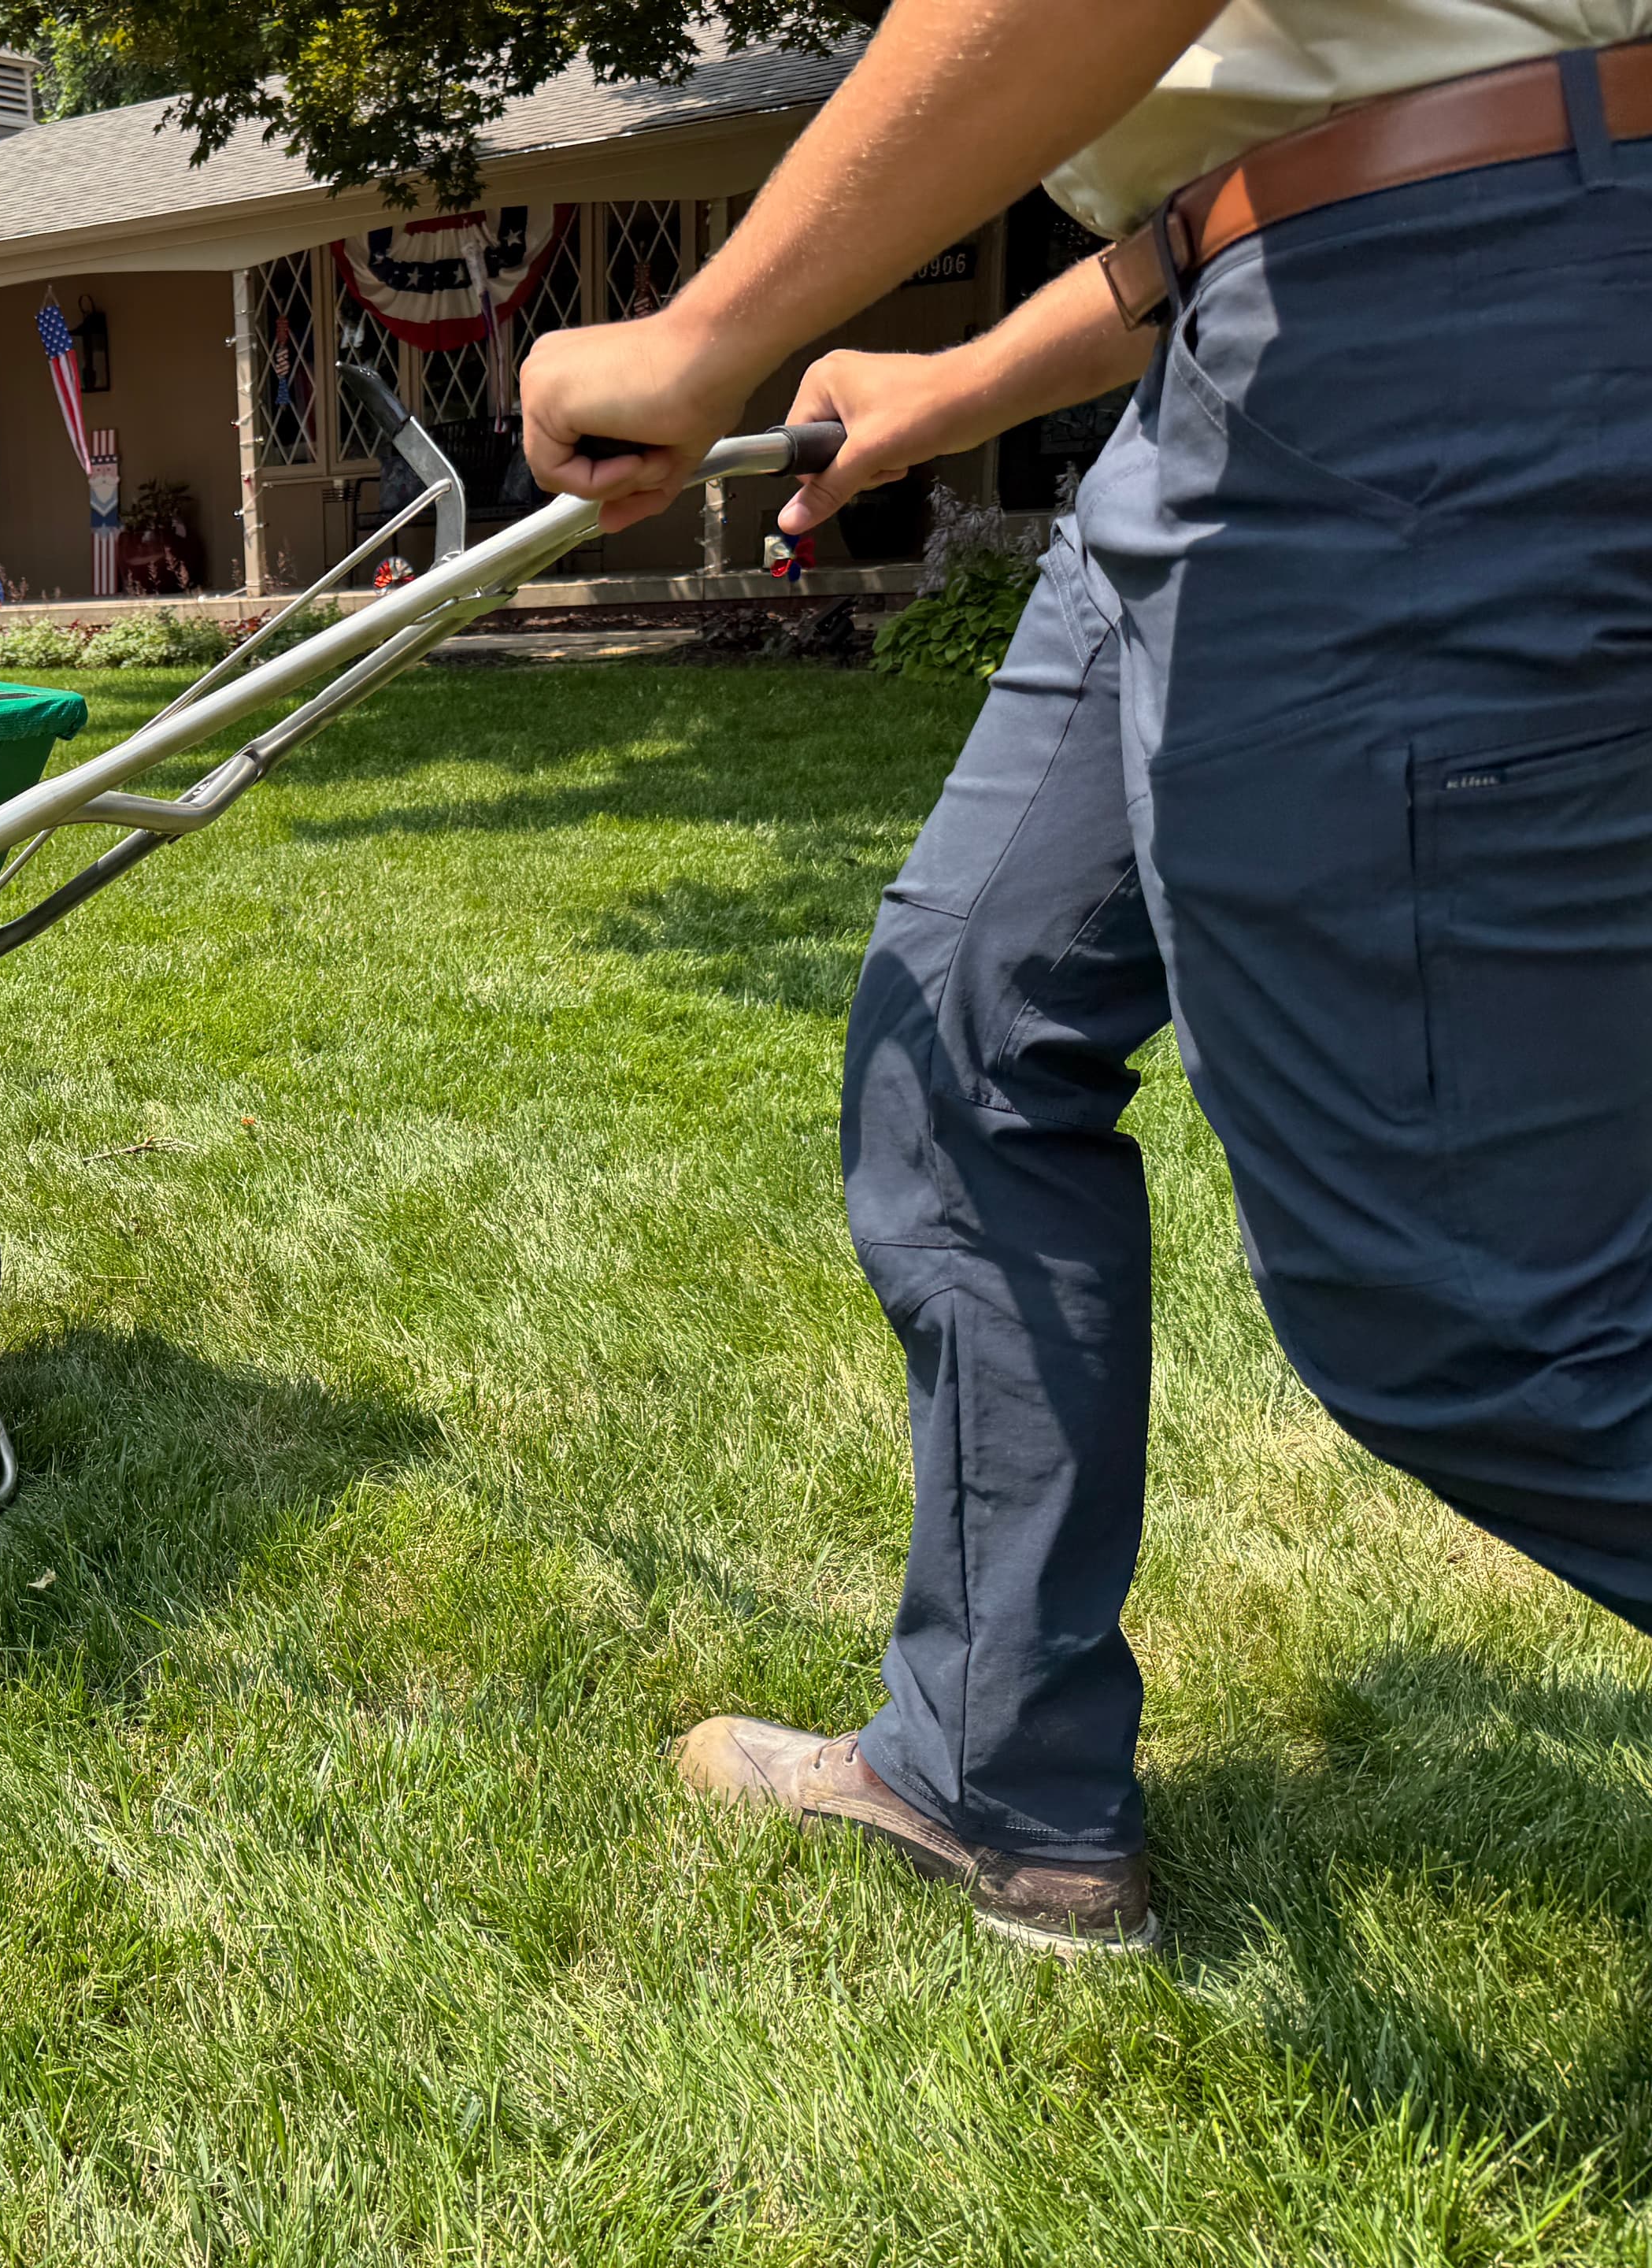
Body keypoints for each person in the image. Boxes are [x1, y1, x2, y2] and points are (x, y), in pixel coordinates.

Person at [521, 2, 1652, 1955]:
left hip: (1435, 341)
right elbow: (1240, 146)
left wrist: (700, 329)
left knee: (1477, 1314)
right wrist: (963, 378)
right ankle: (992, 1772)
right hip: (1240, 334)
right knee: (958, 1022)